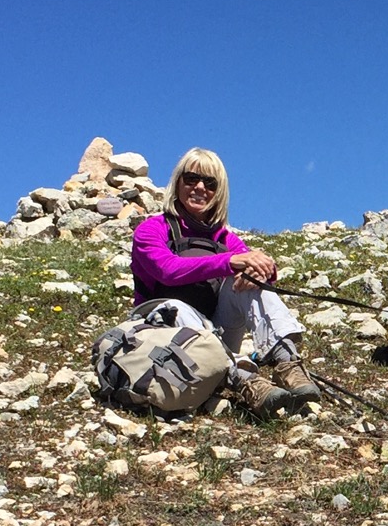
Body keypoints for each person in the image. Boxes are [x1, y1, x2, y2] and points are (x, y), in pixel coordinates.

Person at [129, 148, 319, 417]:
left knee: (252, 281)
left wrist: (260, 273)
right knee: (174, 305)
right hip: (166, 335)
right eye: (191, 178)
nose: (199, 188)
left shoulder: (224, 238)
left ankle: (288, 363)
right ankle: (244, 379)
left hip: (215, 331)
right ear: (177, 183)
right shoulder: (152, 229)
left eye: (210, 183)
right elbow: (167, 270)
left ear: (219, 191)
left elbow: (264, 267)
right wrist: (231, 262)